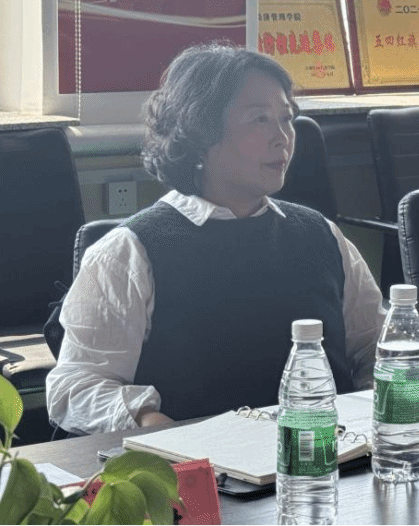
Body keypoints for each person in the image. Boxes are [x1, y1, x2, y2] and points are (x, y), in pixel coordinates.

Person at [46, 44, 384, 435]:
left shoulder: (321, 234)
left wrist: (372, 404)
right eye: (259, 119)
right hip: (196, 463)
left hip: (324, 458)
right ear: (200, 132)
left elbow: (375, 347)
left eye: (286, 118)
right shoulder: (129, 252)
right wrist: (149, 421)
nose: (283, 137)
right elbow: (74, 387)